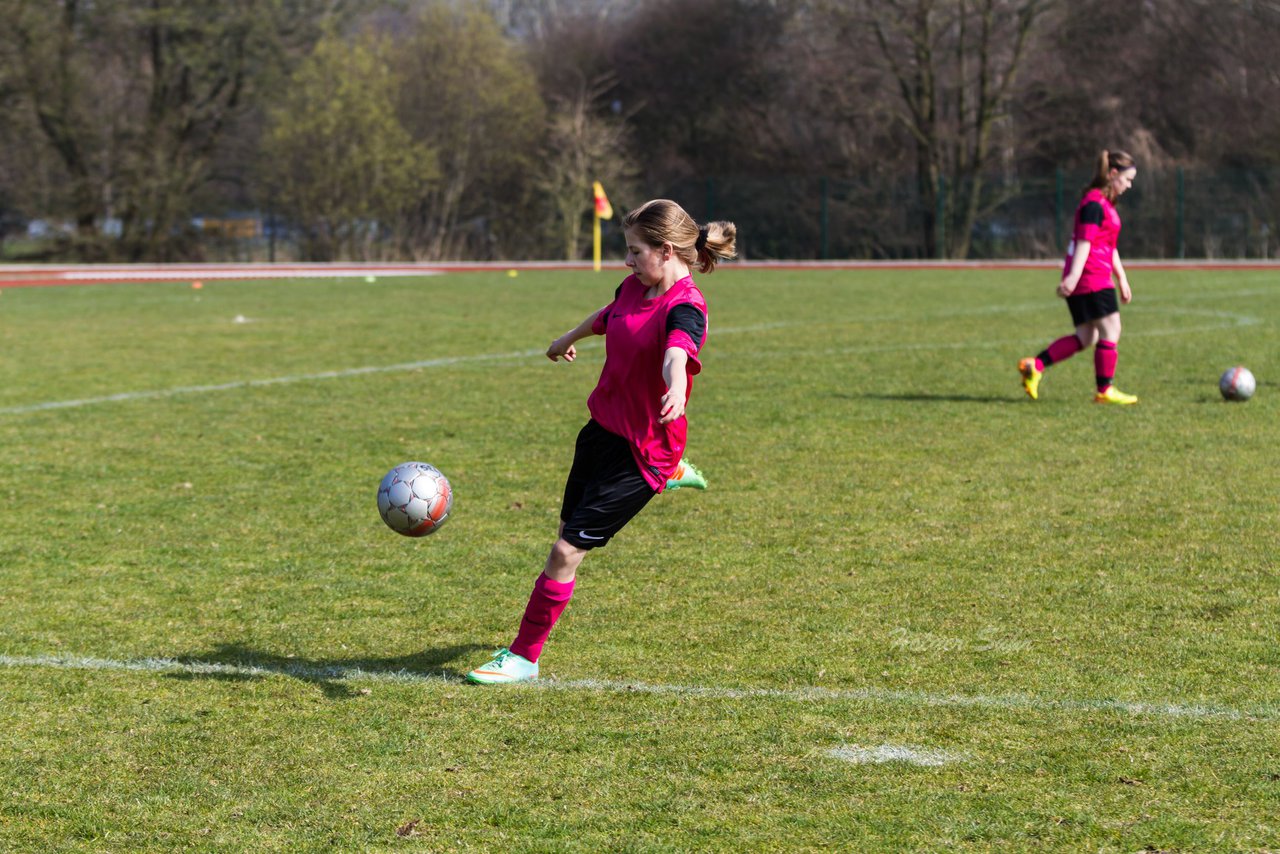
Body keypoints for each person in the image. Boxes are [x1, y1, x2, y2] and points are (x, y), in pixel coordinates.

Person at [467, 200, 737, 684]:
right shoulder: (635, 286)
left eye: (635, 251)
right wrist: (566, 336)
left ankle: (525, 657)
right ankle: (672, 473)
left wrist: (676, 385)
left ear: (667, 250)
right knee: (569, 526)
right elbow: (611, 314)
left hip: (642, 452)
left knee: (565, 552)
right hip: (601, 433)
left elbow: (678, 351)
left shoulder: (687, 307)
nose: (628, 261)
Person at [1019, 150, 1139, 405]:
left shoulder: (1104, 203)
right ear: (1113, 174)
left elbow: (1109, 245)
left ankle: (1035, 365)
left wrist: (1122, 278)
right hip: (1091, 275)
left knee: (1086, 337)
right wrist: (1074, 277)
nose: (1129, 186)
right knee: (1111, 329)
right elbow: (1085, 242)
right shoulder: (1094, 203)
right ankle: (1105, 390)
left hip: (1092, 273)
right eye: (1127, 179)